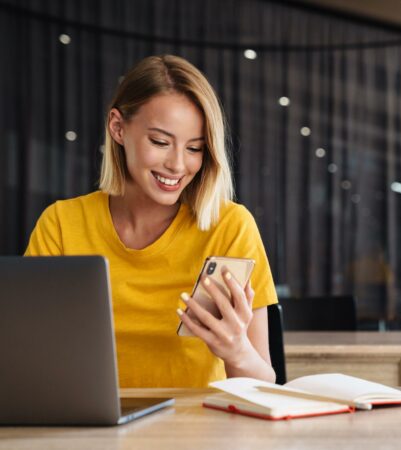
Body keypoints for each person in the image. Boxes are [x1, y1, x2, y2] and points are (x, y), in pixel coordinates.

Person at [24, 54, 277, 387]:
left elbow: (266, 385)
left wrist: (237, 352)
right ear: (117, 127)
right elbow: (27, 357)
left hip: (196, 433)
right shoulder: (61, 223)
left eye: (195, 148)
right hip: (90, 432)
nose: (177, 165)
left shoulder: (229, 226)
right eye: (160, 142)